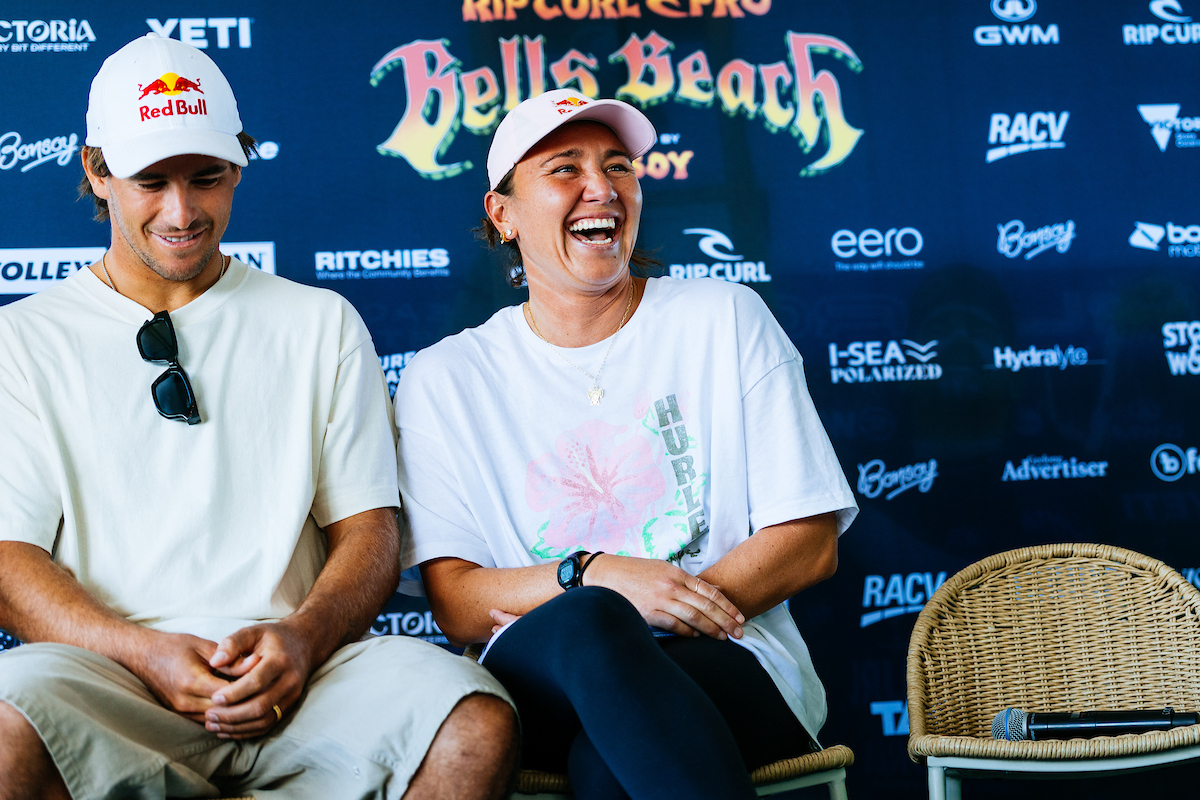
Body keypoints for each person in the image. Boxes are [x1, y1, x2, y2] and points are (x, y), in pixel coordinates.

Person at [0, 34, 516, 800]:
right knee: (5, 728)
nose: (182, 211)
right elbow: (10, 562)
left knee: (471, 723)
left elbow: (369, 533)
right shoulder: (21, 338)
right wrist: (142, 653)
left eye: (206, 178)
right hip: (107, 679)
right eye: (151, 181)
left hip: (308, 677)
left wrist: (301, 640)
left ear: (239, 166)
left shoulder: (320, 322)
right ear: (97, 172)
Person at [394, 88, 858, 800]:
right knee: (589, 613)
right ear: (503, 214)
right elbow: (457, 601)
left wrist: (656, 609)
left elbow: (808, 540)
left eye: (618, 166)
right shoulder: (445, 377)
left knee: (608, 764)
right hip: (540, 677)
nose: (602, 188)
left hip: (728, 657)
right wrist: (595, 577)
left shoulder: (724, 317)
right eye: (564, 169)